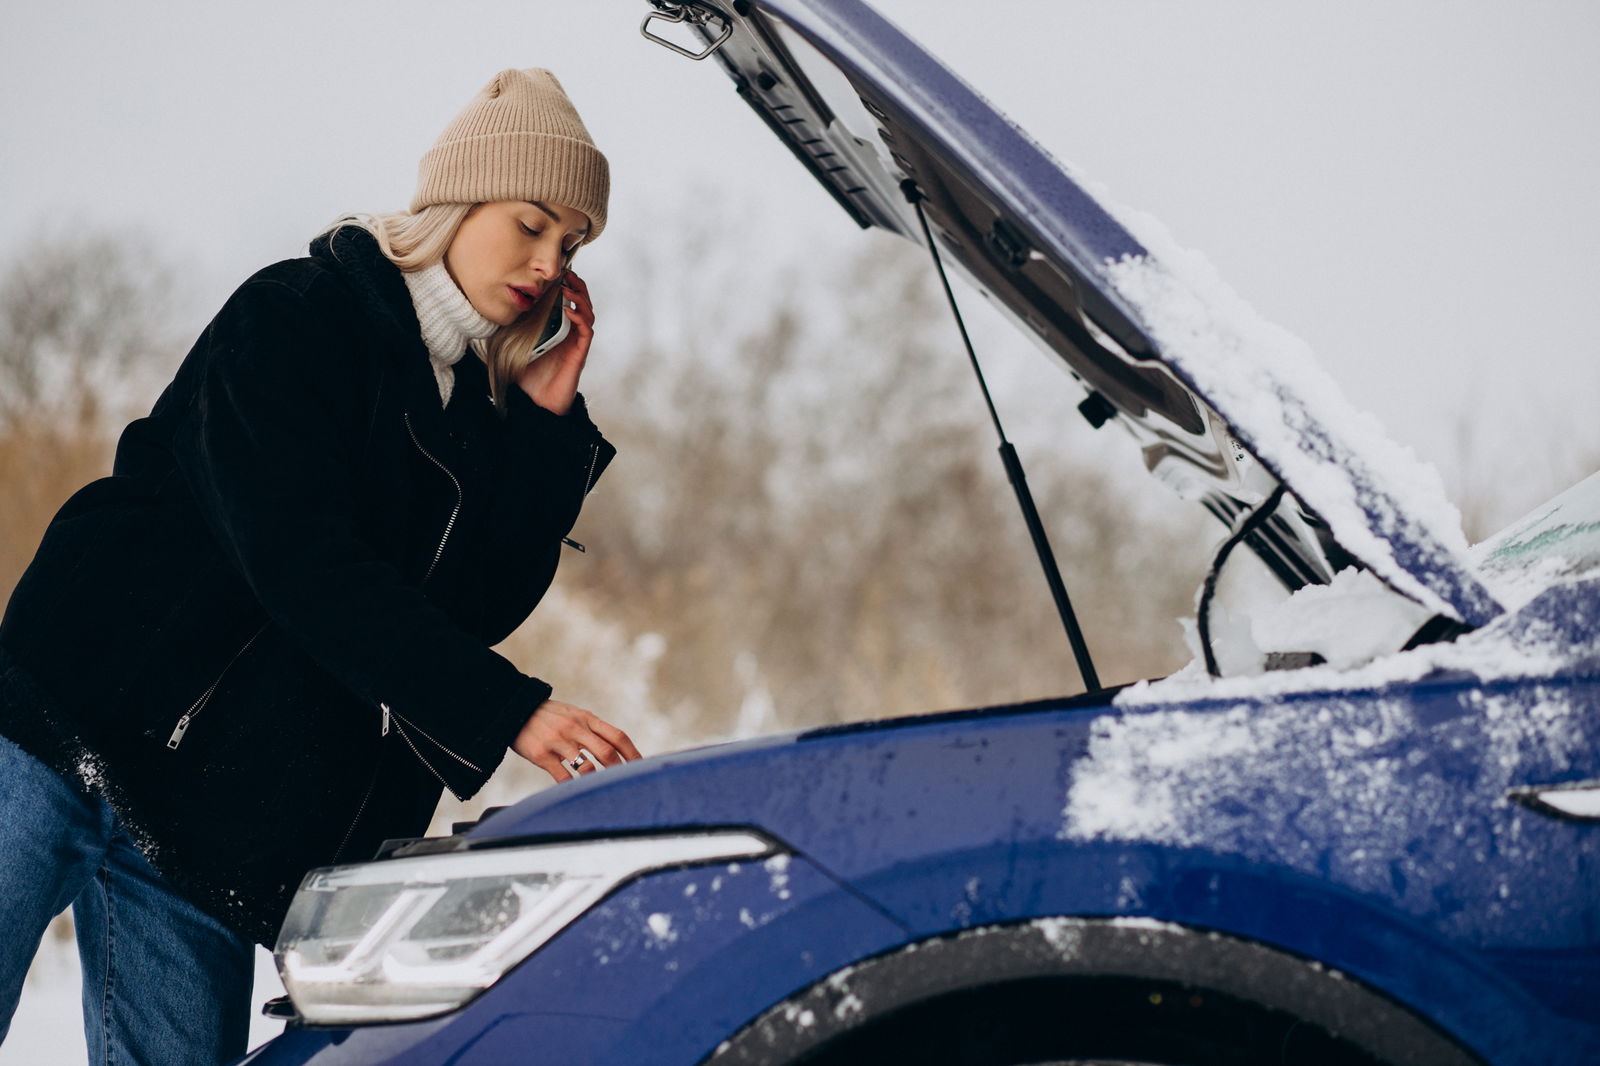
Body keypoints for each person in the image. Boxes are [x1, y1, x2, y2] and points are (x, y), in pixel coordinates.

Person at [0, 67, 639, 1065]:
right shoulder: (299, 316)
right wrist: (508, 710)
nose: (548, 261)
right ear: (458, 201)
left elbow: (468, 608)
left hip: (206, 816)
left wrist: (545, 434)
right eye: (531, 223)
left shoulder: (477, 414)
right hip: (59, 727)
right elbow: (302, 563)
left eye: (571, 244)